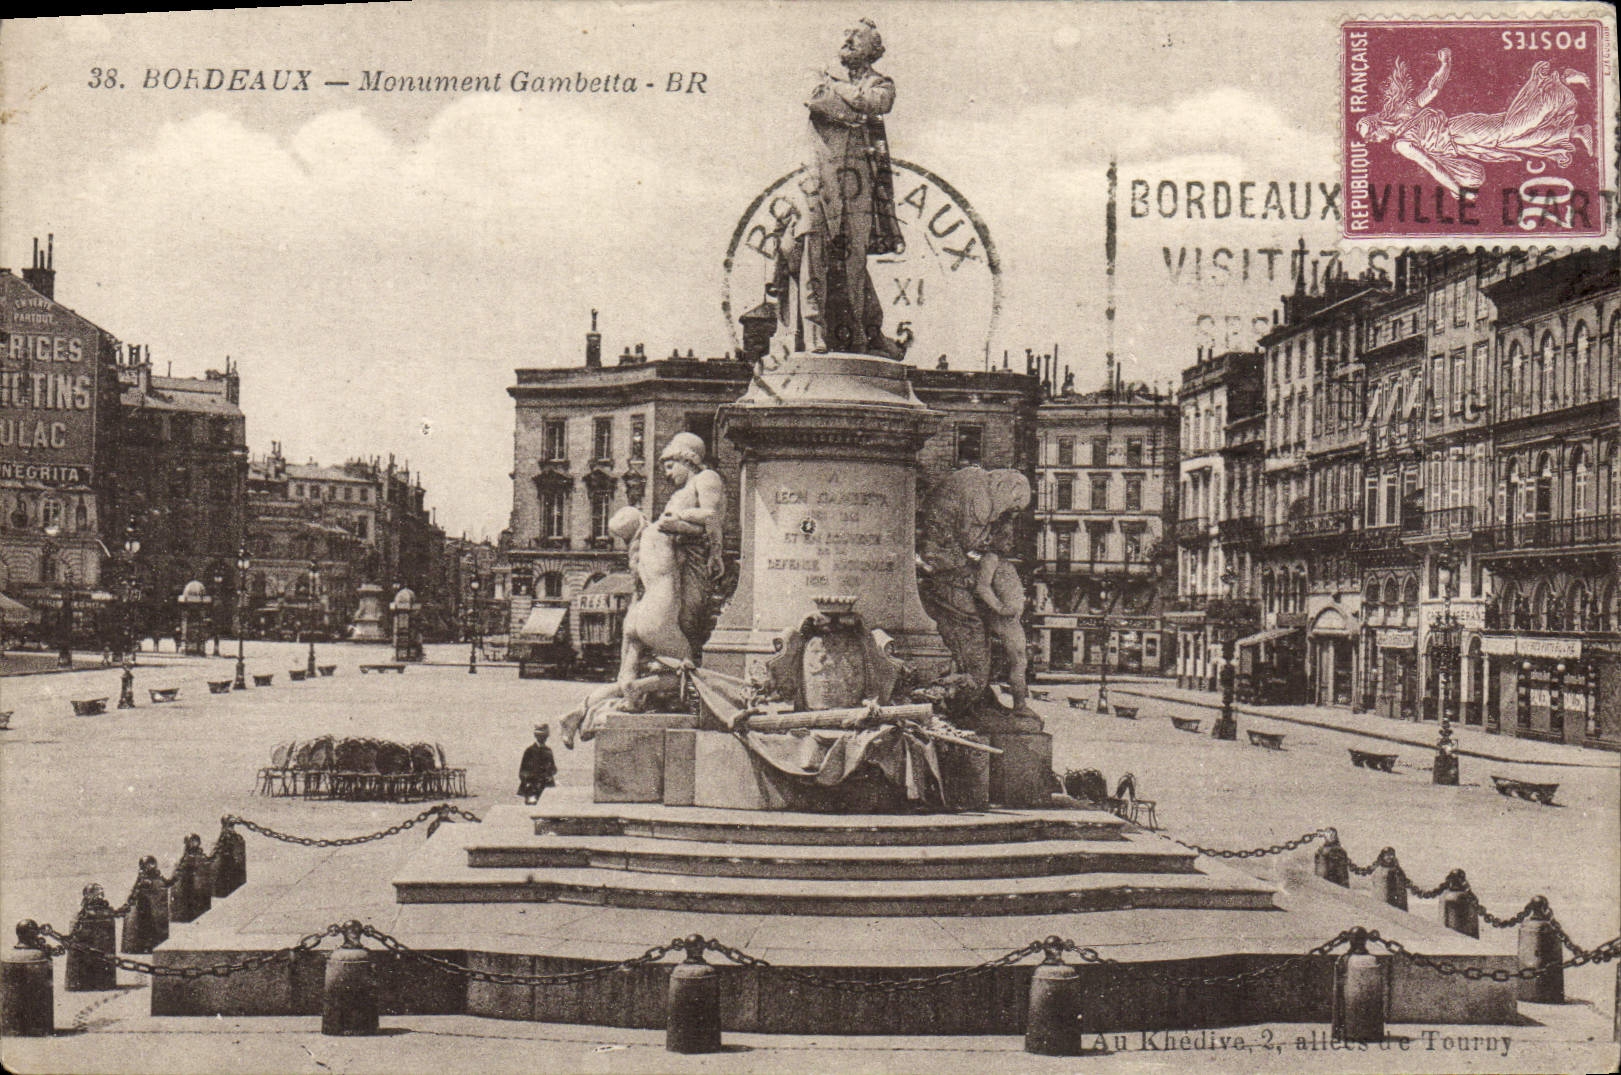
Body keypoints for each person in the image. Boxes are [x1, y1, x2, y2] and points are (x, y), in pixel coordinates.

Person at [774, 18, 903, 357]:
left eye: (856, 37)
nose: (847, 40)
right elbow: (816, 98)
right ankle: (813, 331)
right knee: (812, 246)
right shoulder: (819, 73)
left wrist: (841, 95)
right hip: (819, 175)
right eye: (845, 35)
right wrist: (855, 113)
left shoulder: (882, 83)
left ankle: (858, 335)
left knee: (854, 260)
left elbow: (879, 103)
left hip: (860, 182)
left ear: (873, 49)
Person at [1356, 50, 1593, 197]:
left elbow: (1431, 165)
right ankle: (1576, 131)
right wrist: (1445, 65)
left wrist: (1457, 190)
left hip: (1461, 133)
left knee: (1513, 130)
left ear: (1377, 125)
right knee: (1514, 140)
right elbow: (1433, 89)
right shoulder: (1405, 115)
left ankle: (1560, 79)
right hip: (1464, 141)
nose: (1374, 141)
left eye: (1371, 136)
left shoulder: (1402, 143)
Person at [657, 432, 727, 658]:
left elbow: (710, 516)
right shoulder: (682, 491)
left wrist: (678, 520)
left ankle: (687, 664)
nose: (667, 475)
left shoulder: (707, 477)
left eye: (670, 467)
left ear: (686, 460)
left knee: (688, 614)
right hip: (675, 556)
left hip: (695, 556)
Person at [974, 521, 1032, 715]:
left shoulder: (1002, 560)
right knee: (1018, 660)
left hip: (1011, 619)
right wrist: (999, 607)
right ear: (992, 537)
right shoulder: (990, 558)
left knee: (1020, 660)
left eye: (1012, 536)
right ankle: (1019, 705)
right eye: (1005, 535)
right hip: (1003, 620)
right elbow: (982, 586)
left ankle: (1020, 704)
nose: (1011, 541)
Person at [517, 724, 557, 805]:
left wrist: (550, 772)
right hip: (532, 787)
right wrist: (528, 782)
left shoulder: (548, 751)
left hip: (545, 787)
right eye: (541, 736)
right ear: (536, 736)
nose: (543, 739)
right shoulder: (529, 751)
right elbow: (523, 770)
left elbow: (553, 768)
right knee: (532, 806)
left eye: (544, 736)